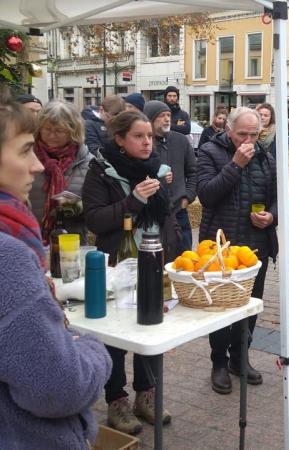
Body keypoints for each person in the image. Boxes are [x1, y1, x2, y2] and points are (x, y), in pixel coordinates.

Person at [0, 97, 112, 449]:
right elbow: (59, 387)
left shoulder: (86, 162)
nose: (35, 166)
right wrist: (93, 347)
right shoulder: (9, 259)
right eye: (24, 150)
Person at [82, 111, 178, 434]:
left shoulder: (157, 170)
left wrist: (173, 253)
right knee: (118, 335)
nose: (147, 142)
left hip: (153, 261)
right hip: (117, 264)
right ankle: (117, 400)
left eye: (149, 136)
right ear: (120, 140)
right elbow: (95, 220)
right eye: (139, 136)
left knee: (151, 330)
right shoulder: (101, 171)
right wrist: (133, 200)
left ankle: (146, 396)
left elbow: (167, 217)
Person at [197, 107, 277, 393]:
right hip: (220, 246)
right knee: (220, 307)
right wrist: (235, 165)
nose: (248, 140)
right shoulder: (209, 151)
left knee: (249, 306)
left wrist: (272, 216)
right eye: (242, 133)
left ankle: (240, 358)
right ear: (229, 130)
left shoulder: (266, 156)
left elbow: (278, 197)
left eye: (254, 134)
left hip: (255, 245)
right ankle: (219, 362)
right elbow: (206, 194)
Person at [29, 99, 94, 242]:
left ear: (73, 131)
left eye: (59, 131)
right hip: (29, 240)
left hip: (71, 244)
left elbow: (97, 210)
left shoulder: (88, 163)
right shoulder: (27, 157)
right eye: (46, 129)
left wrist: (78, 207)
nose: (52, 135)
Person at [144, 100, 197, 254]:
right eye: (161, 116)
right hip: (152, 215)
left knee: (184, 259)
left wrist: (188, 197)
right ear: (149, 119)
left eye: (168, 115)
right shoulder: (144, 143)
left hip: (179, 213)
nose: (167, 119)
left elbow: (193, 172)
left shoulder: (181, 140)